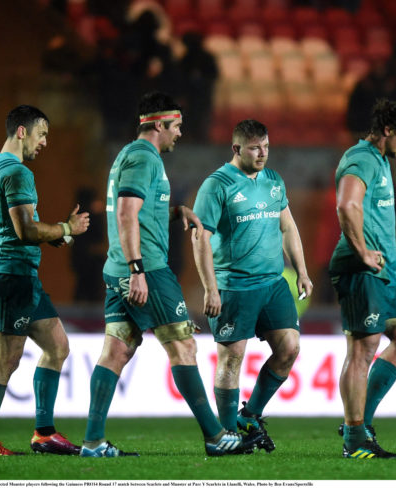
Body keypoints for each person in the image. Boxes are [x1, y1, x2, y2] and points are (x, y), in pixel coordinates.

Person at [81, 92, 260, 458]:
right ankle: (215, 436)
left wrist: (176, 211)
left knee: (115, 350)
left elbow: (140, 212)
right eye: (176, 126)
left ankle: (93, 442)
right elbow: (127, 214)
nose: (180, 133)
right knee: (183, 346)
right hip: (146, 268)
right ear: (159, 125)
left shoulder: (129, 157)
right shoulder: (144, 158)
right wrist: (138, 271)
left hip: (120, 267)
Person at [0, 105, 90, 456]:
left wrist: (57, 234)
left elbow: (20, 228)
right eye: (42, 135)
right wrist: (66, 228)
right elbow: (25, 230)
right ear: (22, 131)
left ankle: (44, 433)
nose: (45, 143)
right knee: (6, 357)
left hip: (22, 274)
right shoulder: (18, 172)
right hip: (11, 274)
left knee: (57, 347)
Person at [191, 119, 313, 453]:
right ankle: (227, 434)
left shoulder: (273, 180)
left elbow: (287, 227)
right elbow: (201, 239)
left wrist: (301, 271)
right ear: (236, 149)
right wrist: (210, 288)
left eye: (266, 147)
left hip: (273, 284)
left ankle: (250, 416)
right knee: (232, 358)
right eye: (255, 148)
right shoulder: (217, 185)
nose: (262, 154)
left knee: (289, 348)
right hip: (234, 286)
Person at [330, 98, 396, 459]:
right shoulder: (362, 158)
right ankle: (354, 439)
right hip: (361, 269)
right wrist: (363, 252)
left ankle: (360, 422)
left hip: (386, 273)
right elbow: (346, 204)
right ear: (387, 130)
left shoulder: (380, 160)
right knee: (362, 349)